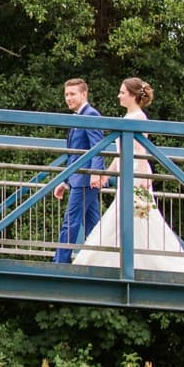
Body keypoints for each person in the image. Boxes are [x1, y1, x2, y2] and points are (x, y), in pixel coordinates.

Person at [73, 77, 184, 273]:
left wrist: (144, 178)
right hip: (126, 174)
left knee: (140, 217)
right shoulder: (128, 118)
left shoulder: (139, 118)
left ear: (133, 95)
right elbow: (121, 153)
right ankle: (117, 260)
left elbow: (141, 151)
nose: (119, 95)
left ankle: (141, 262)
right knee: (124, 217)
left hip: (136, 174)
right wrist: (105, 174)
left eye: (122, 92)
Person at [51, 78, 106, 264]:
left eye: (72, 94)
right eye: (66, 94)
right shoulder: (78, 116)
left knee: (71, 220)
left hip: (85, 179)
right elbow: (74, 156)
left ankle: (60, 262)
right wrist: (65, 181)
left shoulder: (91, 115)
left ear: (84, 94)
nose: (68, 98)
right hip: (78, 179)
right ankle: (101, 260)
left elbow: (98, 147)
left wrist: (96, 173)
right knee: (93, 225)